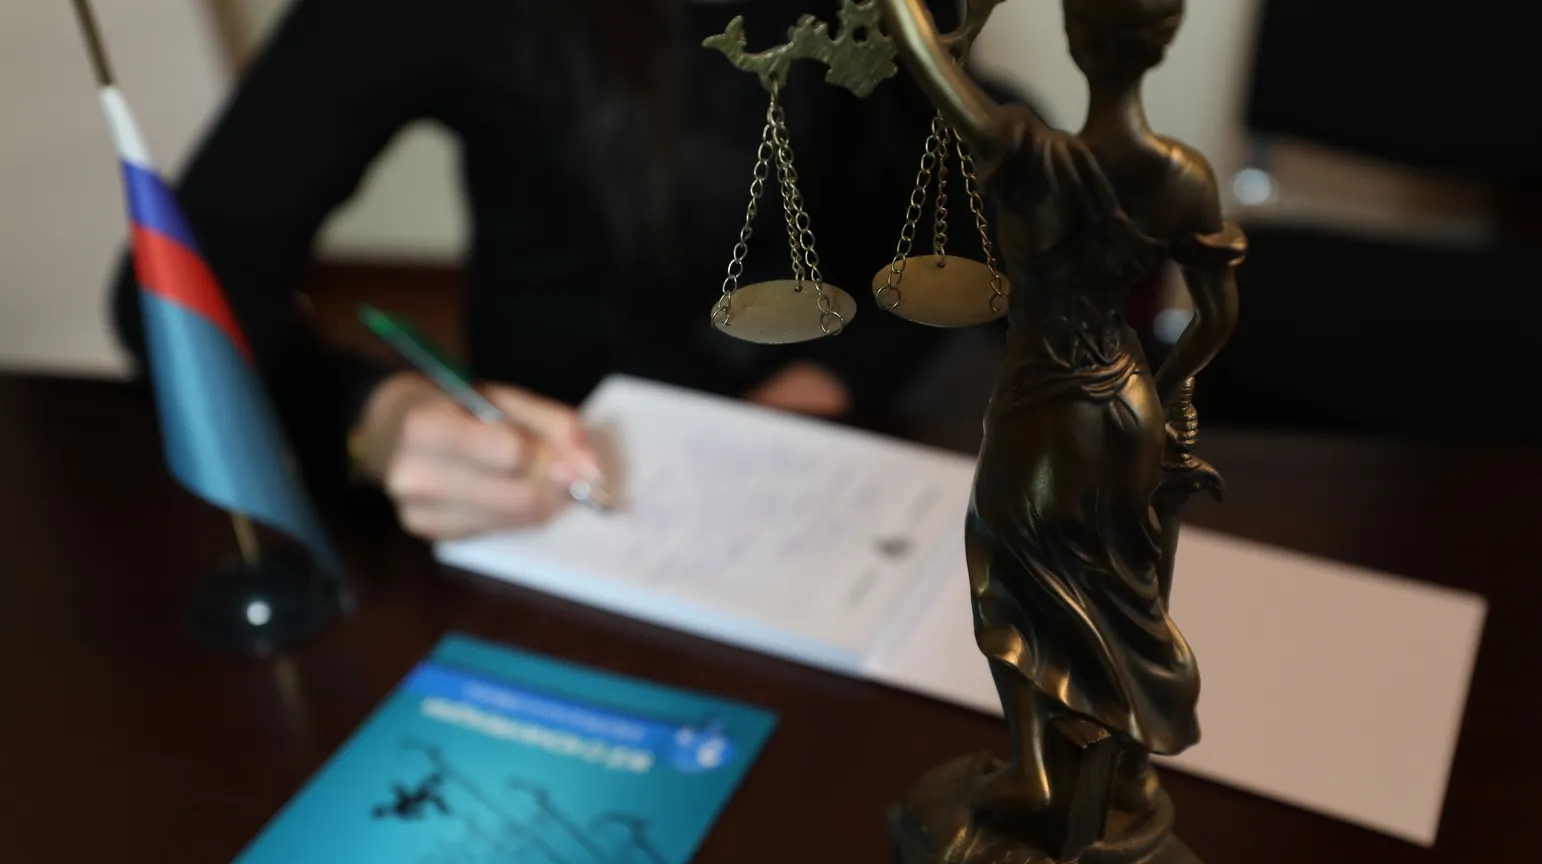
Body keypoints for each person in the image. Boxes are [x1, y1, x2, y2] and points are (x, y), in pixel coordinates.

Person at [110, 0, 977, 541]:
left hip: (847, 454)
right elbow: (174, 289)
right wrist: (375, 413)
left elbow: (972, 193)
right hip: (553, 474)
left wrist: (831, 378)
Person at [881, 0, 1242, 864]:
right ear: (1163, 42)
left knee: (1005, 569)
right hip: (1129, 398)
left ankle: (1037, 771)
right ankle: (1128, 774)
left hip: (1044, 403)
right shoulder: (1183, 174)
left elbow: (920, 50)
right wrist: (1167, 392)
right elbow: (1216, 316)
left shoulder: (1024, 149)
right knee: (1127, 585)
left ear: (1076, 39)